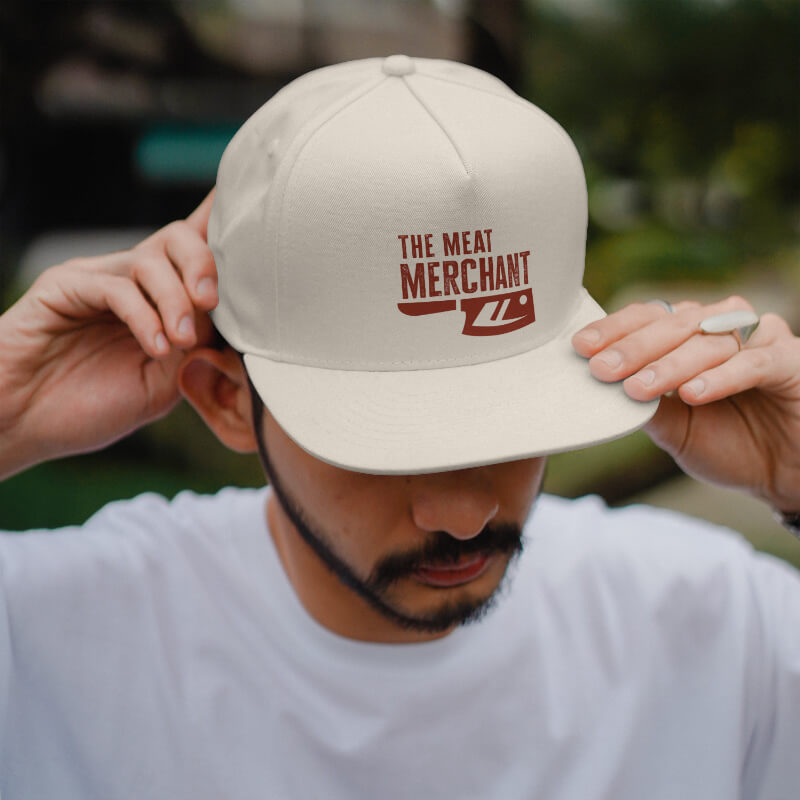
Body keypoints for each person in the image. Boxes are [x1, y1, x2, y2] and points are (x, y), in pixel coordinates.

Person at [0, 56, 798, 799]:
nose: (465, 514)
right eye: (386, 444)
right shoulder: (64, 635)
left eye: (509, 423)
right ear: (227, 400)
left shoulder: (707, 624)